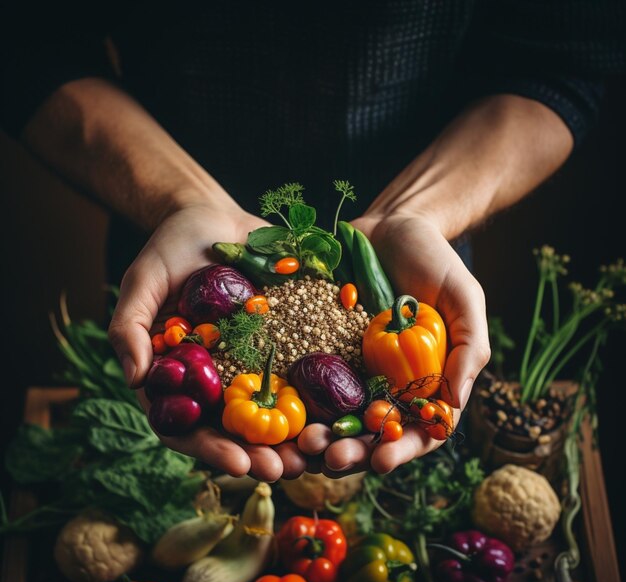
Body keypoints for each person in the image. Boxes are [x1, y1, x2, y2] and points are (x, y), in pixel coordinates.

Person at [2, 2, 623, 482]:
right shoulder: (223, 321)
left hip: (408, 280)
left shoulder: (376, 327)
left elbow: (560, 60)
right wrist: (181, 201)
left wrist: (417, 214)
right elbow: (30, 42)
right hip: (175, 276)